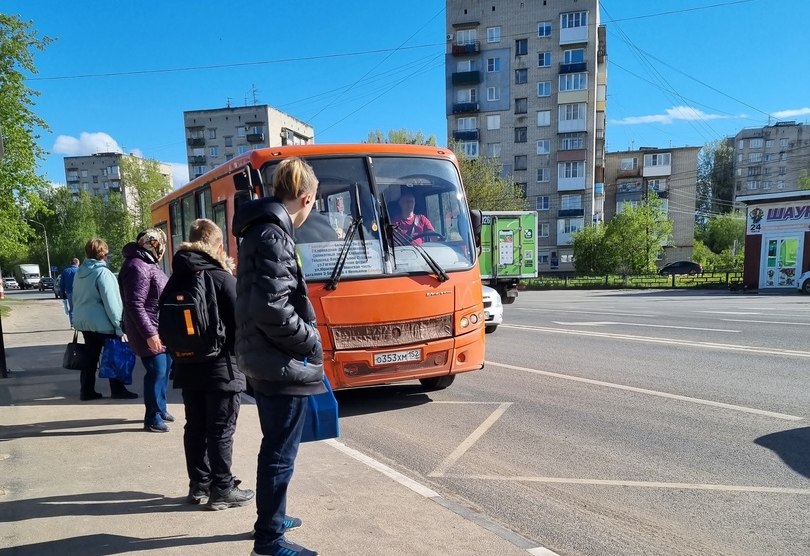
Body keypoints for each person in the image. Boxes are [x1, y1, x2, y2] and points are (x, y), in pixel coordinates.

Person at [233, 157, 324, 556]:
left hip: (266, 358)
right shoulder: (274, 236)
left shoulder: (260, 231)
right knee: (279, 454)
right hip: (279, 362)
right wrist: (310, 341)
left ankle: (273, 517)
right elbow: (272, 309)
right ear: (305, 197)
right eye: (314, 202)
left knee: (277, 448)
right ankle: (269, 539)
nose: (313, 209)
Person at [162, 218, 255, 510]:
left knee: (196, 427)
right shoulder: (222, 277)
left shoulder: (177, 277)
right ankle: (223, 489)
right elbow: (244, 320)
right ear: (216, 245)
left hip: (187, 367)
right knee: (221, 429)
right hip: (222, 368)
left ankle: (199, 485)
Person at [71, 239, 138, 401]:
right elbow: (112, 301)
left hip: (85, 322)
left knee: (90, 357)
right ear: (104, 254)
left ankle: (86, 390)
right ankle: (117, 389)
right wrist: (118, 325)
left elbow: (75, 297)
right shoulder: (103, 273)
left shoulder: (79, 272)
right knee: (113, 355)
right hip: (102, 322)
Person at [118, 229, 171, 433]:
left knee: (164, 368)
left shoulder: (148, 263)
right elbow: (134, 305)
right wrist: (150, 334)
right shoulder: (137, 267)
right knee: (156, 370)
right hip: (147, 330)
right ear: (154, 245)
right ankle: (152, 417)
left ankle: (161, 407)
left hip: (158, 327)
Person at [60, 258, 80, 326]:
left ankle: (72, 324)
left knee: (72, 309)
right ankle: (80, 323)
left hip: (69, 292)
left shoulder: (65, 271)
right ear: (77, 263)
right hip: (80, 292)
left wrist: (62, 293)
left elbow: (62, 283)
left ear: (71, 263)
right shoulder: (80, 270)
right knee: (81, 308)